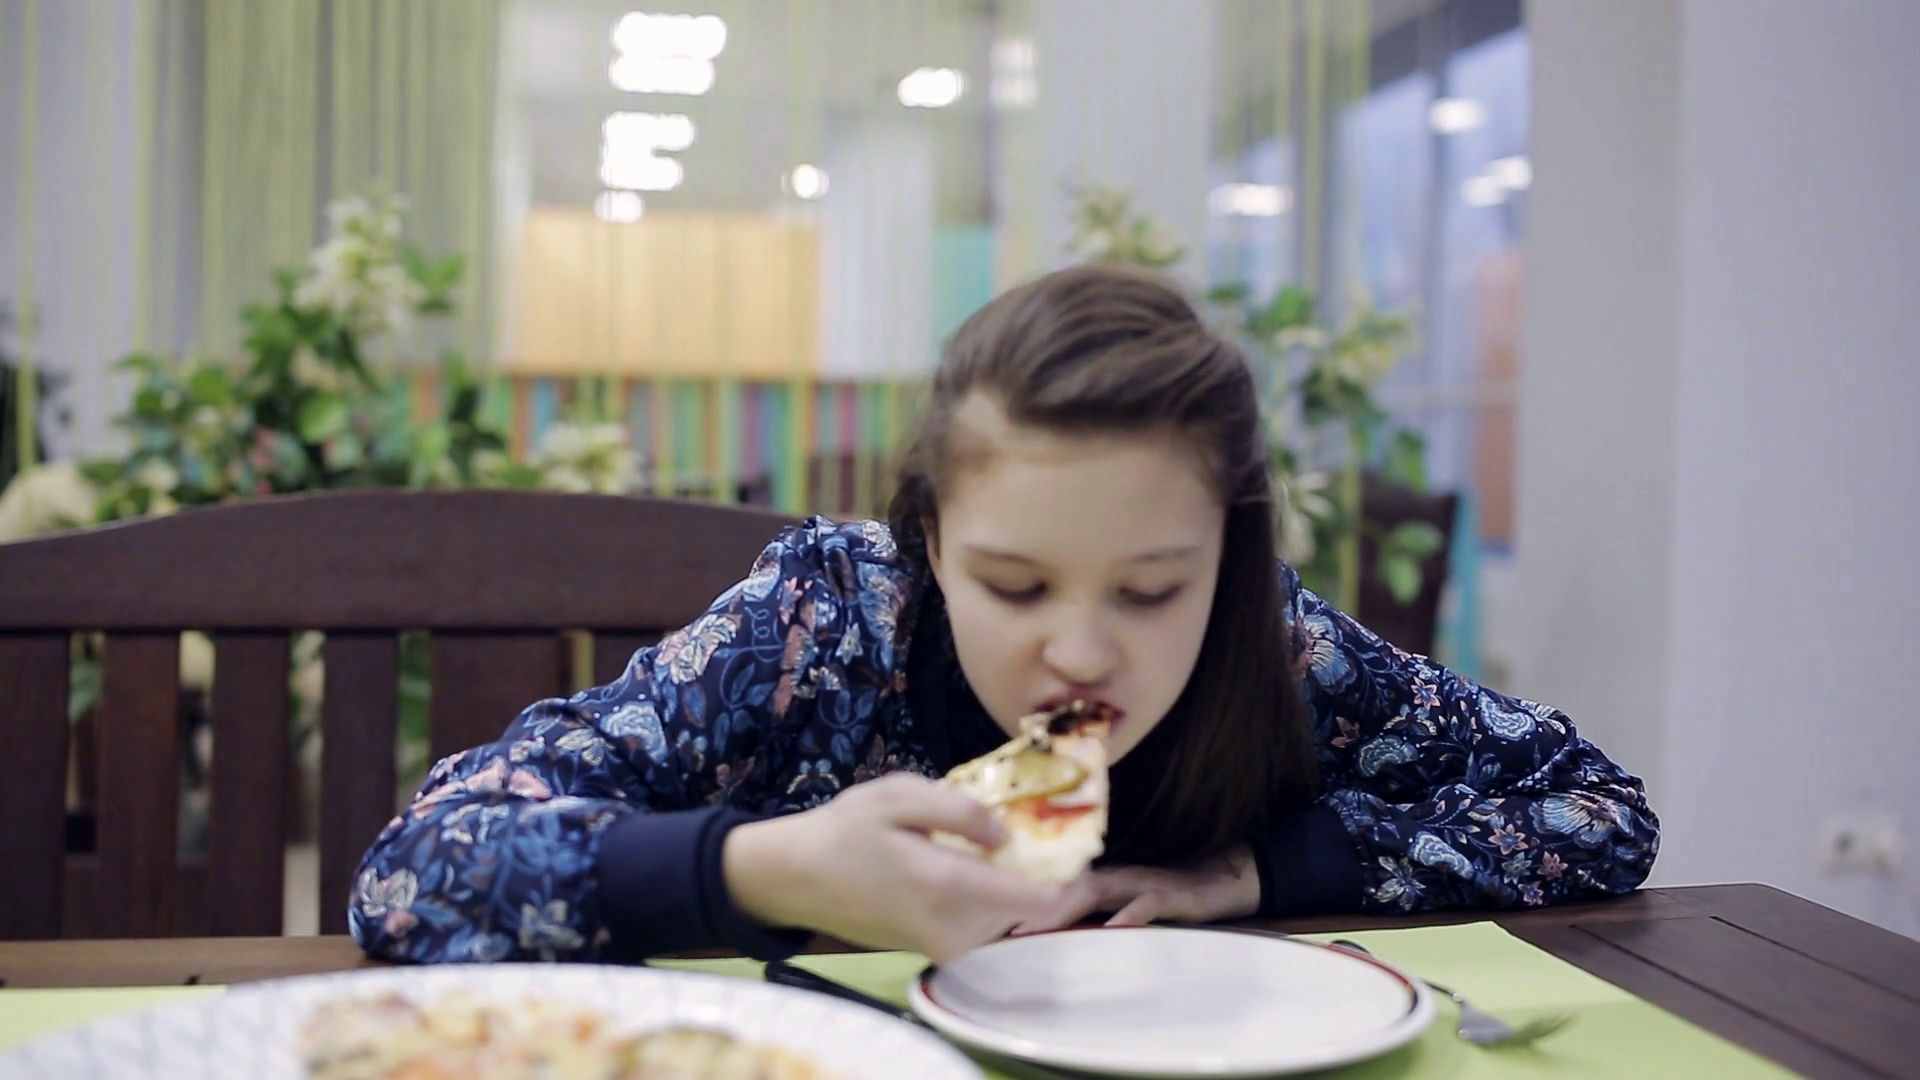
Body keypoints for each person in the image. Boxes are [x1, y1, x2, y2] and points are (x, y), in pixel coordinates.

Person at [349, 265, 1658, 967]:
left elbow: (1596, 809)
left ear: (1227, 555)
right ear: (929, 541)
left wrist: (1256, 872)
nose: (1082, 653)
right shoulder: (827, 619)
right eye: (1015, 587)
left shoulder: (1274, 643)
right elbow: (416, 871)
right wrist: (770, 869)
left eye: (1152, 590)